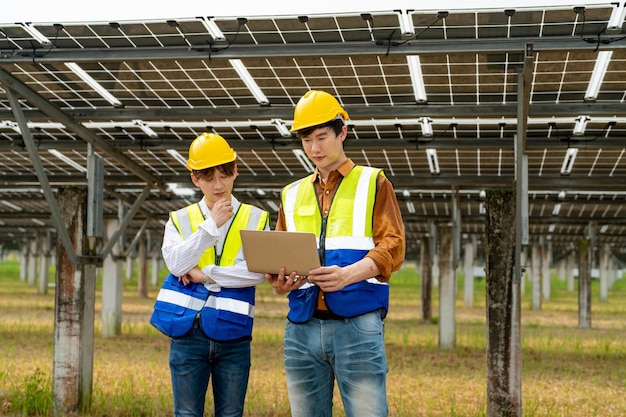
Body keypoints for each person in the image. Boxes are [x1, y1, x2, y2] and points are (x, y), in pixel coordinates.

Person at [266, 90, 405, 417]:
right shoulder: (291, 193)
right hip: (301, 327)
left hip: (357, 326)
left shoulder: (373, 182)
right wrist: (278, 282)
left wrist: (347, 275)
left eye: (322, 137)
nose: (315, 148)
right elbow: (278, 256)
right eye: (306, 140)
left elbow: (393, 246)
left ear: (342, 132)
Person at [151, 132, 270, 417]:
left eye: (225, 174)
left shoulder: (256, 218)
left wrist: (205, 275)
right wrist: (210, 227)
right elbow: (177, 264)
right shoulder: (179, 219)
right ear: (195, 179)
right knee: (187, 414)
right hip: (187, 332)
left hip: (234, 334)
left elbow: (258, 273)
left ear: (235, 171)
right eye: (208, 177)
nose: (218, 185)